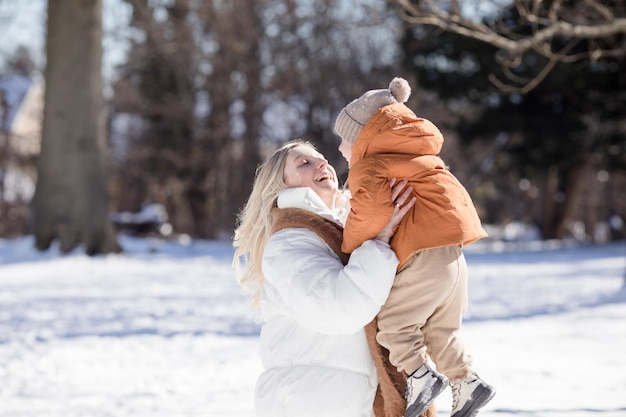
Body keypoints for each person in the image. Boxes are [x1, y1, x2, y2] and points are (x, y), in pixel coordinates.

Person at [334, 77, 496, 417]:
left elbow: (372, 214)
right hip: (453, 256)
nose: (339, 150)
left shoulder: (371, 167)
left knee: (394, 325)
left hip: (422, 254)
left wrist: (346, 247)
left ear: (362, 137)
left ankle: (422, 377)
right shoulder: (419, 157)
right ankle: (466, 382)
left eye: (343, 140)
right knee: (441, 330)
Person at [232, 139, 419, 417]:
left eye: (321, 158)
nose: (322, 163)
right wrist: (379, 242)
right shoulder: (289, 243)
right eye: (303, 163)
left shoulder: (347, 233)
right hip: (311, 403)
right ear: (281, 187)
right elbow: (340, 309)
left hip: (348, 400)